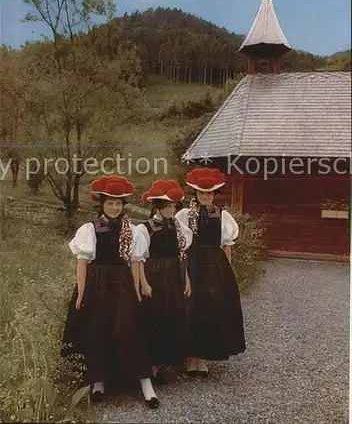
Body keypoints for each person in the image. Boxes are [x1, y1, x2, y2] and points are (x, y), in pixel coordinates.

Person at [61, 175, 159, 408]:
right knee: (99, 329)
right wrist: (82, 293)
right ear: (102, 205)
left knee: (131, 328)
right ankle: (98, 381)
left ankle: (146, 385)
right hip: (97, 284)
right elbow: (83, 263)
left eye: (118, 204)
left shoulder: (132, 230)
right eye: (109, 204)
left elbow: (135, 262)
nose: (114, 208)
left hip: (123, 283)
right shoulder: (90, 229)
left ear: (123, 206)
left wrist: (136, 290)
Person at [175, 167, 246, 376]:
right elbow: (179, 244)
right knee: (191, 306)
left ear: (214, 194)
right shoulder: (185, 215)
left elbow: (227, 246)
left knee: (210, 308)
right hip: (192, 262)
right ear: (195, 194)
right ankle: (190, 358)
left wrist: (227, 273)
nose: (205, 196)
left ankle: (203, 357)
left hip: (215, 264)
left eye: (209, 193)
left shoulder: (222, 215)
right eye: (201, 193)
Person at [136, 179, 193, 384]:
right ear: (157, 206)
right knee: (153, 317)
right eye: (166, 206)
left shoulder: (177, 227)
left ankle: (160, 366)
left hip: (173, 276)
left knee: (170, 317)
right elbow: (139, 259)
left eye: (173, 206)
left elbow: (181, 255)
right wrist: (144, 283)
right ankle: (149, 368)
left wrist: (185, 278)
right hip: (154, 275)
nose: (170, 210)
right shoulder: (145, 228)